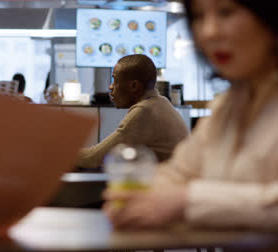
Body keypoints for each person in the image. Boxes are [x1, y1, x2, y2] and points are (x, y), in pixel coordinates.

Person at [104, 0, 278, 231]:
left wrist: (185, 200)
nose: (209, 32)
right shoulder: (227, 107)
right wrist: (137, 197)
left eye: (226, 12)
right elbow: (181, 172)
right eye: (198, 17)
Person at [77, 55, 189, 169]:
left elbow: (93, 158)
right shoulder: (161, 102)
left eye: (115, 80)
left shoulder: (144, 111)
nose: (110, 87)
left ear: (134, 86)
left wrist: (61, 153)